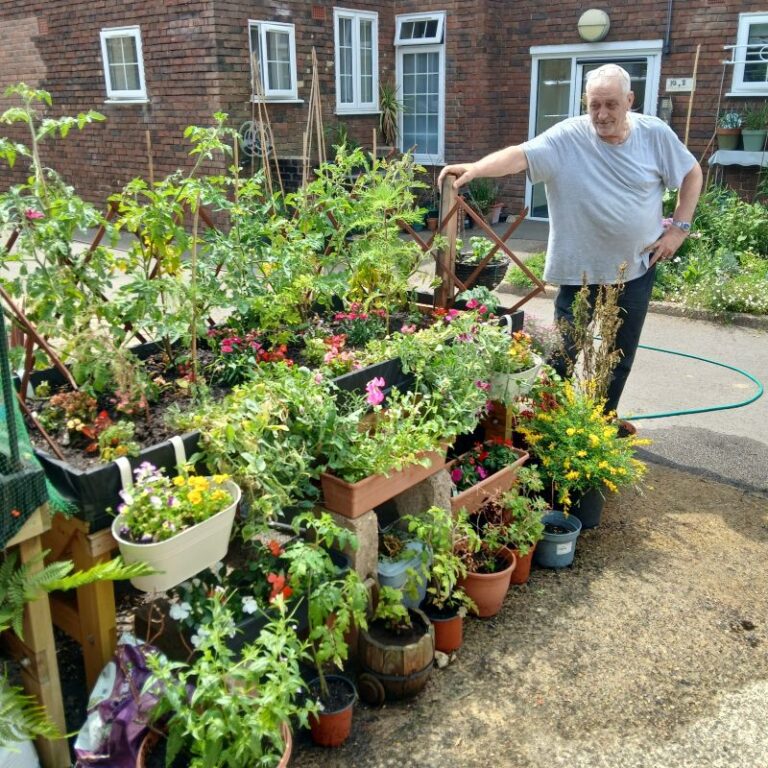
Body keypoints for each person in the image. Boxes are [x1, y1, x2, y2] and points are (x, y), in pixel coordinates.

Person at [439, 63, 703, 425]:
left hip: (637, 267)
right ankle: (548, 424)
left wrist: (679, 230)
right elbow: (520, 154)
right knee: (563, 353)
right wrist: (477, 167)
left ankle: (601, 424)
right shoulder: (568, 137)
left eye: (611, 104)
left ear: (629, 101)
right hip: (580, 272)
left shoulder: (654, 135)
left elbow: (691, 173)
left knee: (618, 355)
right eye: (594, 105)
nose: (602, 114)